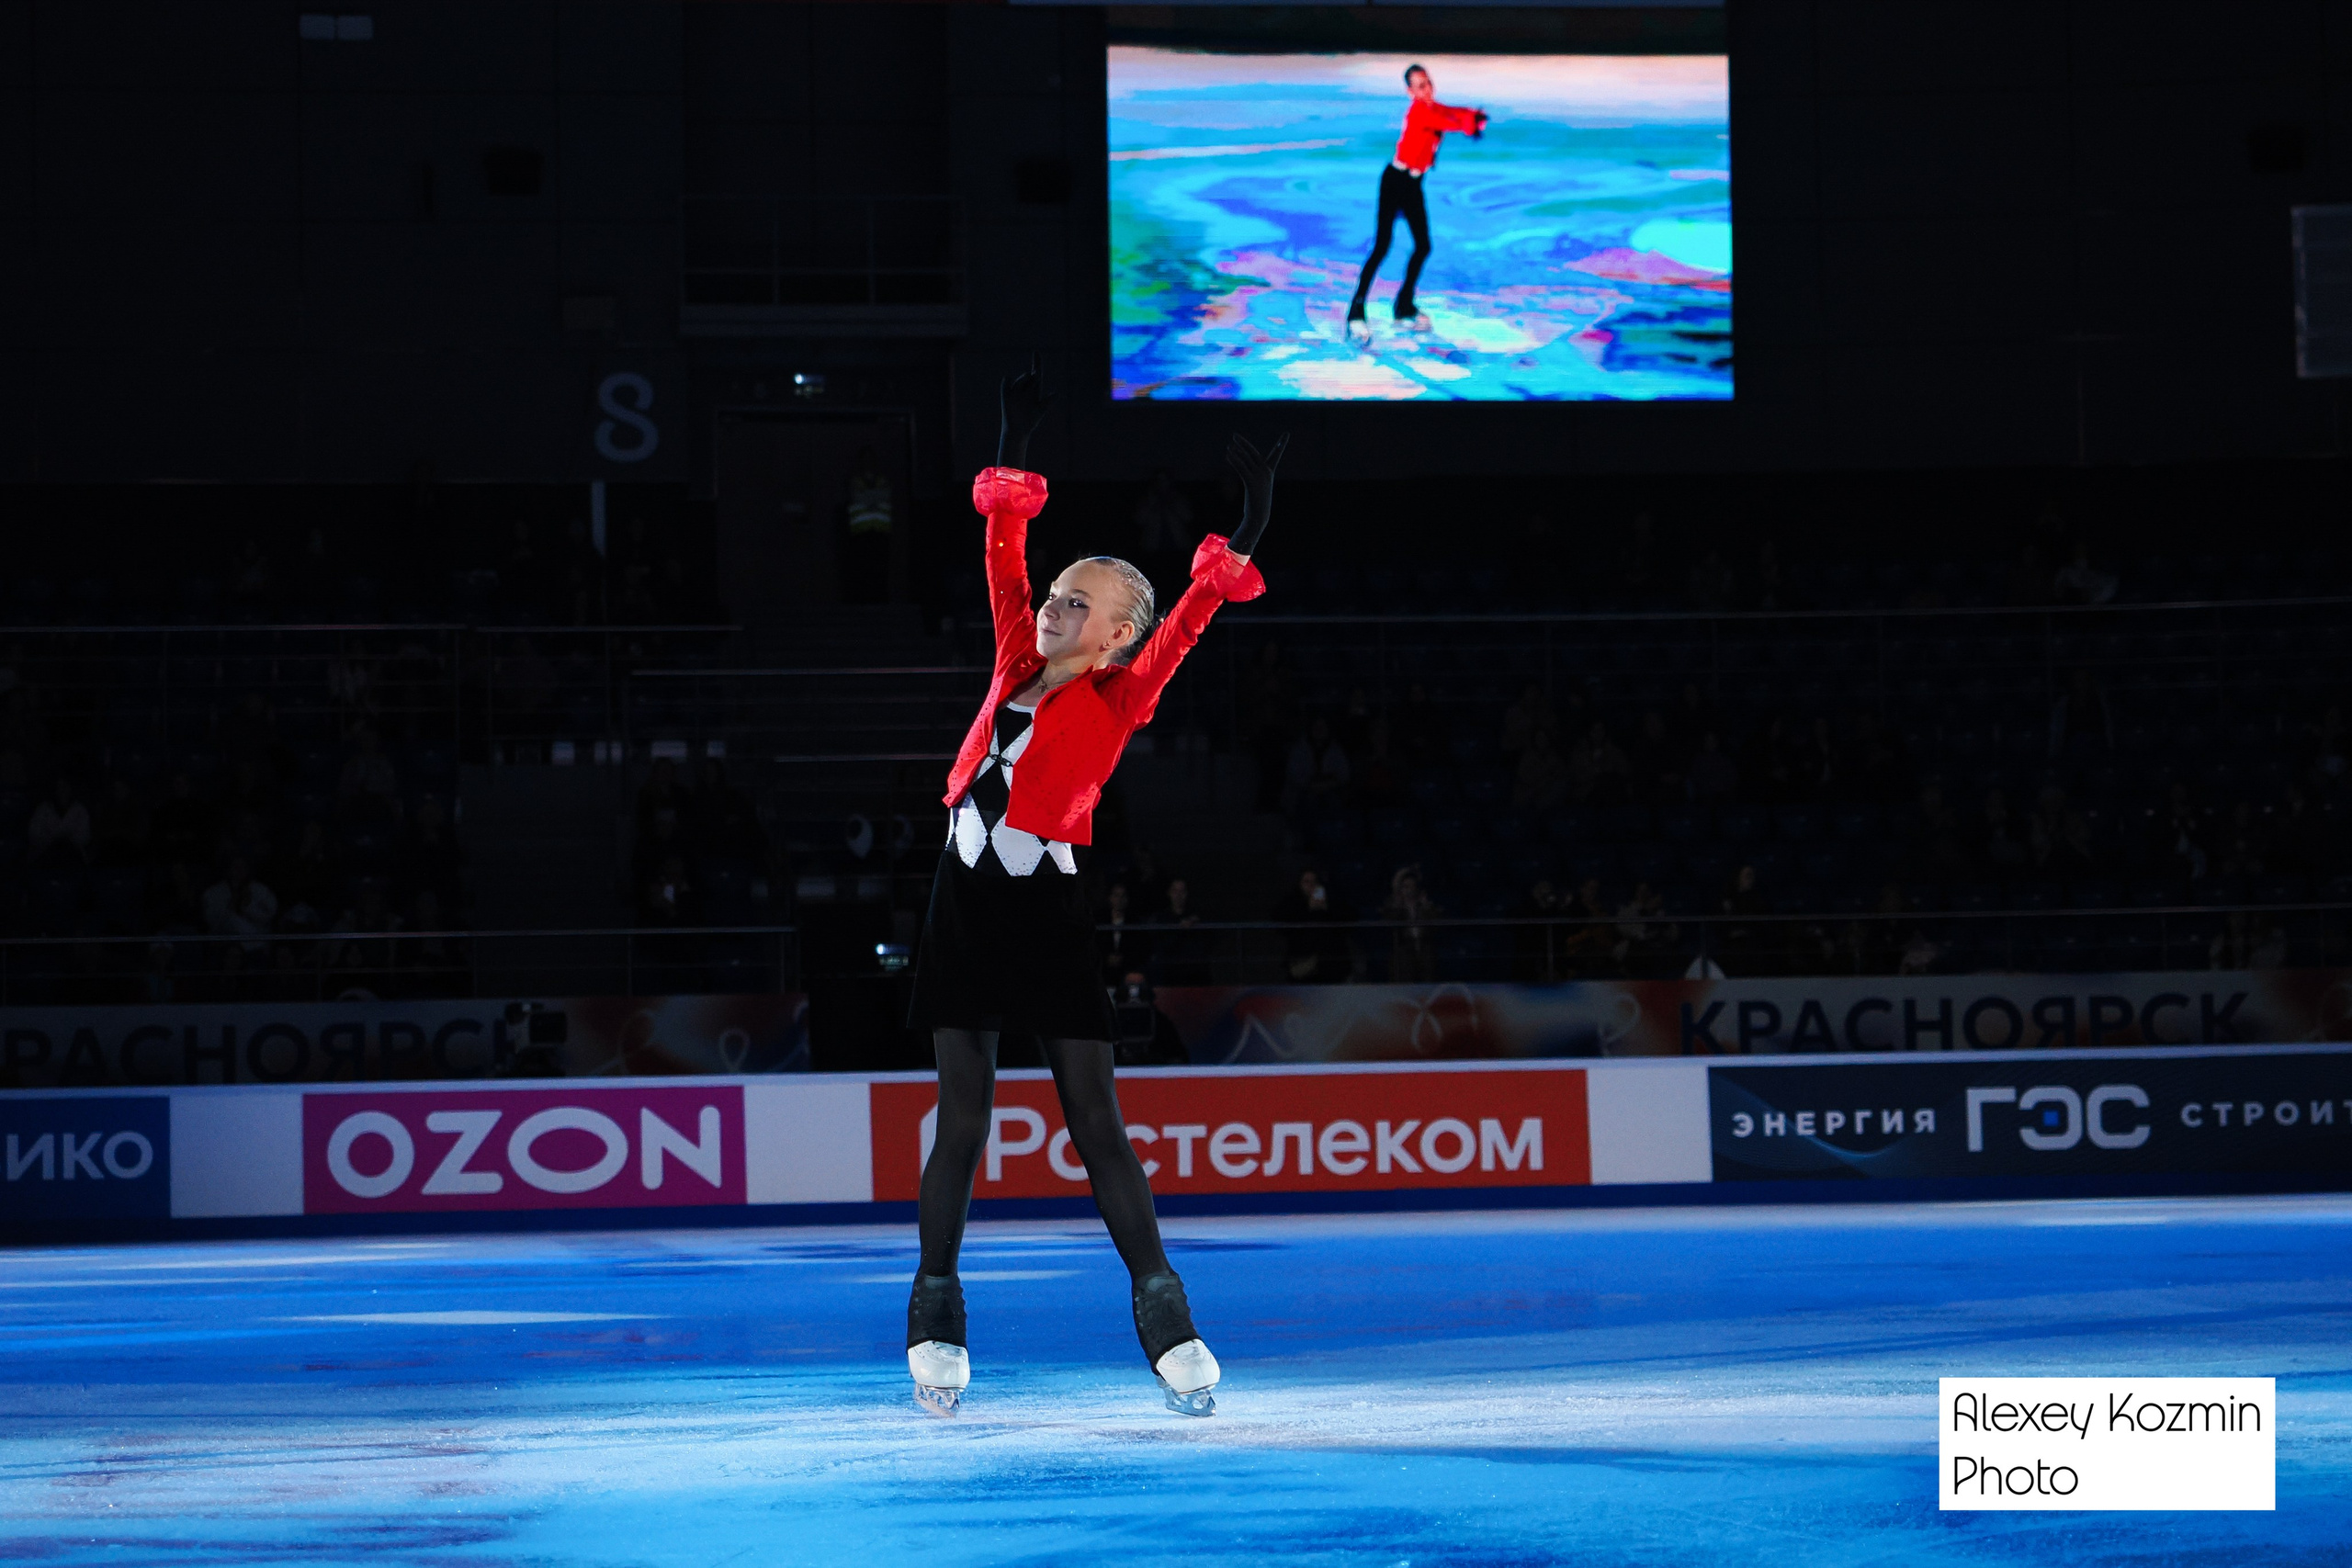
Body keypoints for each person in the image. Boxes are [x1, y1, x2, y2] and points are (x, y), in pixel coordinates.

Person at [902, 354, 1281, 1422]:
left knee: (1095, 1122)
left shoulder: (1126, 693)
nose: (1059, 606)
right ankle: (935, 1309)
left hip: (1047, 904)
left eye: (1084, 603)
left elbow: (1194, 617)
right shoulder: (1012, 657)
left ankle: (1166, 1317)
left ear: (1119, 634)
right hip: (962, 893)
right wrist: (1014, 447)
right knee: (962, 1118)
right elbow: (1002, 544)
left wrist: (1242, 532)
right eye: (1059, 594)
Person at [1344, 64, 1487, 341]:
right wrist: (1468, 124)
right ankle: (1355, 311)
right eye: (1420, 86)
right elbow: (1446, 122)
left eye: (1429, 83)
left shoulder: (1432, 107)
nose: (1427, 90)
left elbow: (1450, 113)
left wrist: (1471, 114)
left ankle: (1403, 305)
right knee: (1382, 247)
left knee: (1423, 246)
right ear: (1410, 92)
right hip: (1394, 182)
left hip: (1413, 185)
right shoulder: (1419, 111)